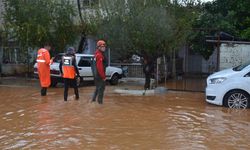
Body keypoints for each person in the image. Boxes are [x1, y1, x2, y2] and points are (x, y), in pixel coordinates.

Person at [91, 40, 107, 104]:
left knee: (97, 88)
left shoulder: (96, 54)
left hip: (96, 75)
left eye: (104, 46)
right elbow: (100, 67)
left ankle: (93, 101)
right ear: (99, 47)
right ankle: (100, 104)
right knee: (101, 89)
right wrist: (103, 77)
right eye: (102, 46)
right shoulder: (99, 55)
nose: (104, 48)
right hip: (100, 75)